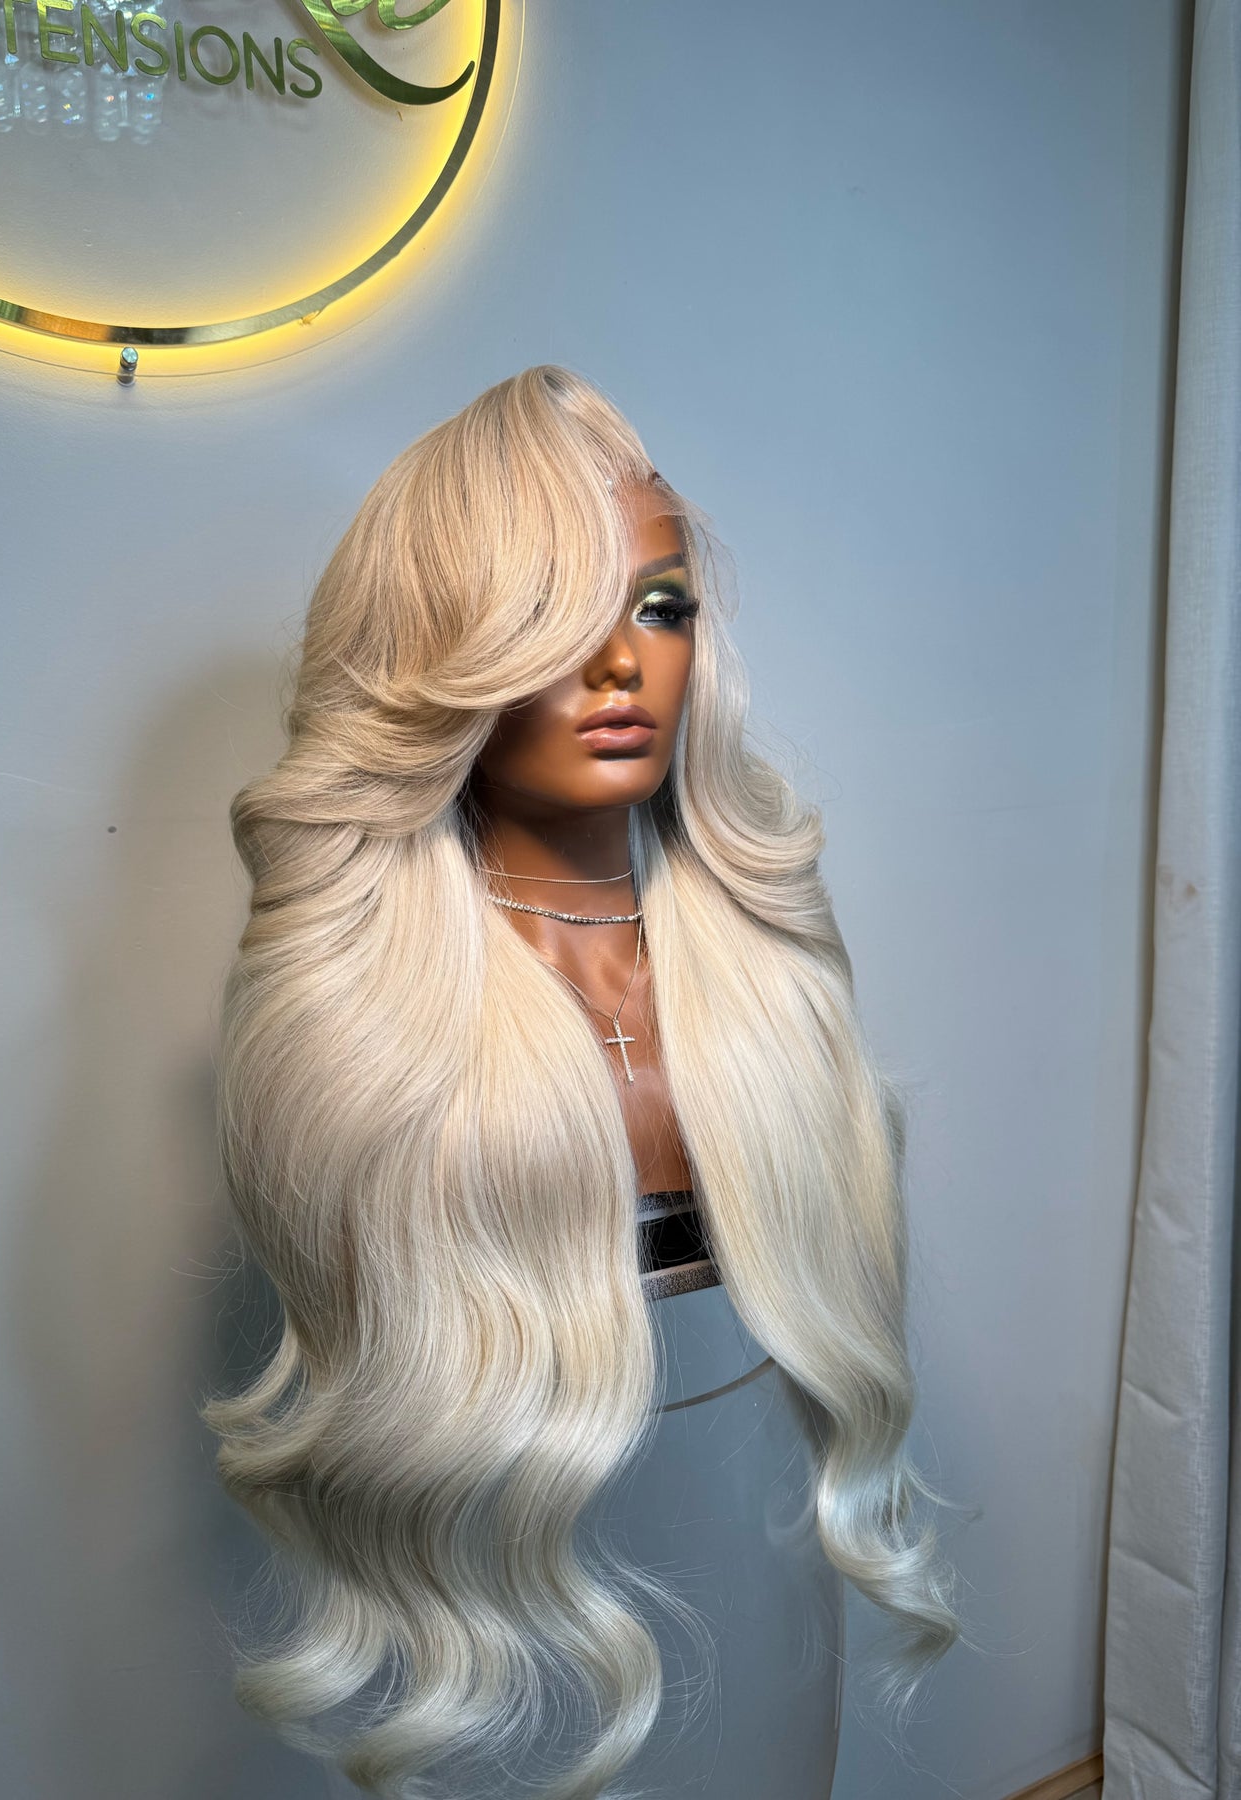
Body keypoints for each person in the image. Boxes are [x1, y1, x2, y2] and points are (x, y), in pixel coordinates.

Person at [201, 365, 960, 1798]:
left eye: (659, 607)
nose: (623, 663)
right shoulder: (361, 1024)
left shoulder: (765, 966)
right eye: (556, 613)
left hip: (753, 1541)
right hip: (496, 1603)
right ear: (443, 648)